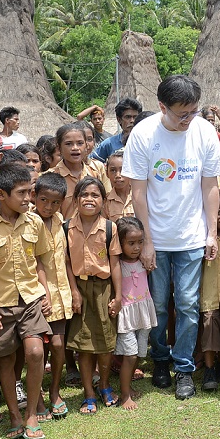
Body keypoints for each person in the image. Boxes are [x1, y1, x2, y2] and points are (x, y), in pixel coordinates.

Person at [122, 75, 220, 400]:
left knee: (188, 305)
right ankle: (160, 360)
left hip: (192, 237)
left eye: (193, 111)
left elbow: (210, 186)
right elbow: (138, 193)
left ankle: (184, 368)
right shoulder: (143, 134)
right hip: (157, 237)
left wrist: (211, 233)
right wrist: (147, 241)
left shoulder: (204, 132)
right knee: (158, 306)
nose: (188, 119)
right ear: (162, 107)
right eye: (182, 113)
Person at [0, 162, 52, 439]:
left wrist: (46, 293)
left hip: (31, 299)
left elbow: (40, 261)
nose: (28, 198)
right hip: (1, 304)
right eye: (21, 193)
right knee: (6, 362)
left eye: (29, 191)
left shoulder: (34, 222)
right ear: (1, 194)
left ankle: (31, 414)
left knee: (35, 352)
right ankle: (15, 416)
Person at [65, 177, 122, 413]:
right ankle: (88, 392)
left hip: (104, 289)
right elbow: (67, 263)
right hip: (80, 289)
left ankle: (104, 385)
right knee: (84, 344)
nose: (89, 199)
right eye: (84, 195)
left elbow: (115, 264)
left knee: (106, 342)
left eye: (95, 195)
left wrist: (118, 296)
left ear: (103, 200)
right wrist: (74, 292)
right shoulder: (66, 228)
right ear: (76, 200)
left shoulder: (110, 228)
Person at [32, 173, 72, 421]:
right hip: (37, 296)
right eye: (44, 200)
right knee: (37, 350)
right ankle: (36, 396)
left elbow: (65, 259)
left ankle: (54, 390)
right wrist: (43, 293)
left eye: (55, 202)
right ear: (34, 197)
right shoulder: (28, 222)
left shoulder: (59, 221)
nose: (48, 206)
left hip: (61, 294)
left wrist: (74, 290)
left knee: (58, 345)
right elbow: (34, 261)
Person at [113, 218, 157, 410]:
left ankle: (128, 386)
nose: (137, 247)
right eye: (131, 243)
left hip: (143, 312)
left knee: (139, 353)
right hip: (126, 315)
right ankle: (125, 395)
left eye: (140, 242)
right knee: (130, 355)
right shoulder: (117, 264)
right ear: (120, 243)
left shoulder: (143, 260)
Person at [199, 194, 220, 392]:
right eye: (219, 212)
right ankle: (209, 369)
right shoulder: (202, 237)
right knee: (210, 330)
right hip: (209, 293)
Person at [51, 122, 109, 220]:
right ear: (59, 147)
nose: (75, 148)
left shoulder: (96, 172)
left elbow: (107, 204)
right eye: (68, 144)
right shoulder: (52, 177)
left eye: (80, 143)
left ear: (86, 145)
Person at [91, 98, 142, 163]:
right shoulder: (109, 144)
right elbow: (93, 163)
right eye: (128, 117)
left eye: (135, 117)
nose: (132, 121)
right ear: (119, 119)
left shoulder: (146, 142)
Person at [103, 150, 134, 221]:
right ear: (107, 173)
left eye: (123, 170)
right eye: (113, 170)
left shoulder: (139, 197)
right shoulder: (105, 202)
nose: (118, 175)